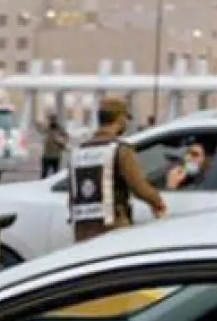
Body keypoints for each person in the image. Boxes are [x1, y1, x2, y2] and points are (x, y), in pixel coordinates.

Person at [66, 96, 166, 243]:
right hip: (113, 228)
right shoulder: (119, 150)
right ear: (119, 120)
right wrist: (157, 202)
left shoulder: (78, 152)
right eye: (126, 119)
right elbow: (138, 186)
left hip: (82, 230)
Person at [39, 114, 69, 178]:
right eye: (51, 120)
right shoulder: (46, 128)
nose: (52, 121)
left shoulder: (60, 129)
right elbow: (41, 132)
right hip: (47, 155)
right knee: (44, 173)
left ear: (55, 120)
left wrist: (61, 142)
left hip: (56, 155)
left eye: (53, 120)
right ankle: (42, 185)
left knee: (55, 174)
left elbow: (66, 137)